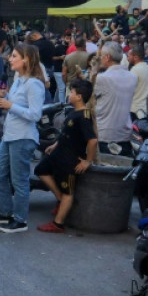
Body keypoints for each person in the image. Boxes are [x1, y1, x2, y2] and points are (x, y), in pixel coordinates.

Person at [0, 44, 46, 233]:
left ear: (26, 59)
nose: (10, 59)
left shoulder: (34, 84)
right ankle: (6, 211)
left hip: (23, 137)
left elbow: (35, 114)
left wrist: (9, 105)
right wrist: (4, 97)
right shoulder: (19, 80)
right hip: (9, 134)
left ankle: (20, 220)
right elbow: (13, 104)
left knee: (19, 180)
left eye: (14, 56)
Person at [35, 78, 97, 234]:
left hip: (70, 159)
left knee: (68, 192)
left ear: (79, 97)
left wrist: (88, 161)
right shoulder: (73, 111)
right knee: (41, 170)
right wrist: (55, 144)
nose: (69, 95)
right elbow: (68, 133)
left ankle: (58, 223)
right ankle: (60, 199)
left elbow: (93, 140)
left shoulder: (84, 116)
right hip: (59, 153)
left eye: (72, 92)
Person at [93, 42, 137, 156]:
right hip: (124, 131)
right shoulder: (132, 77)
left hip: (105, 133)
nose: (100, 59)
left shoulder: (102, 78)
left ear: (107, 57)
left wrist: (94, 71)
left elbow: (89, 98)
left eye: (101, 56)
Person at [128, 44, 148, 120]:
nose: (128, 57)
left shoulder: (135, 70)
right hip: (147, 108)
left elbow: (129, 89)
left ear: (135, 57)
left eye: (129, 56)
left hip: (135, 109)